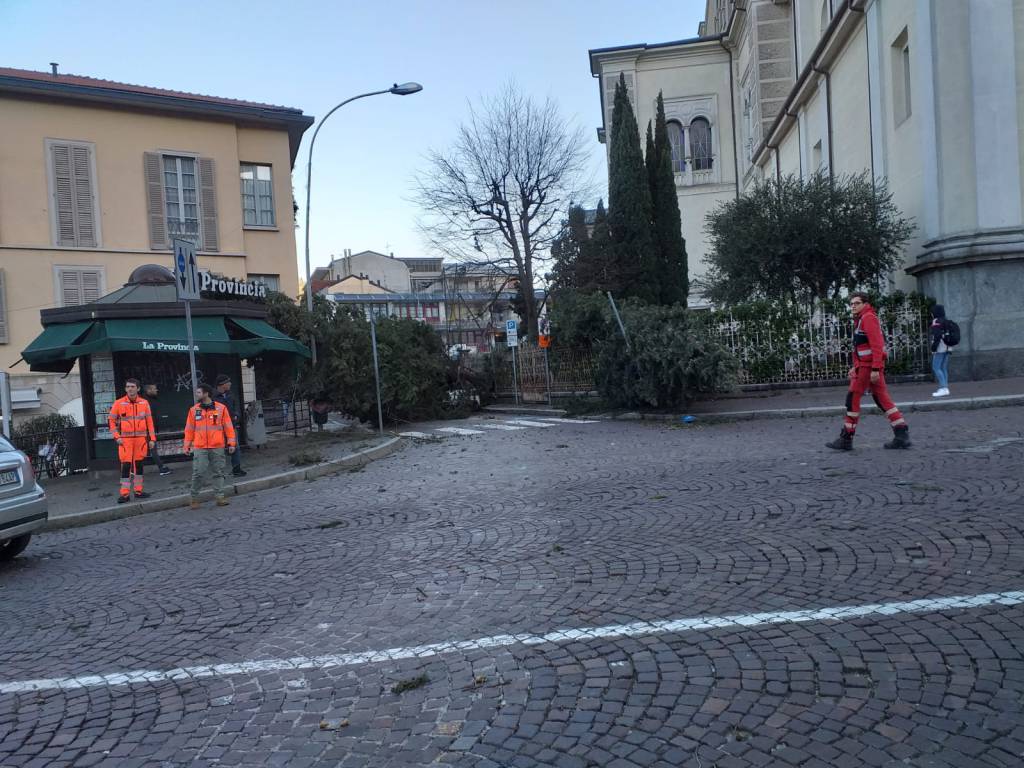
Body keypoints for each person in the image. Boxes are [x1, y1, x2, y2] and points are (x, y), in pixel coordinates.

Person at [826, 292, 911, 450]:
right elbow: (861, 348)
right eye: (851, 304)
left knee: (852, 398)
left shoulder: (868, 318)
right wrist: (856, 366)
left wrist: (875, 369)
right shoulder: (861, 319)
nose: (853, 306)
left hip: (868, 367)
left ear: (865, 304)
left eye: (856, 303)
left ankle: (846, 438)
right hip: (865, 366)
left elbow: (877, 345)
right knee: (882, 399)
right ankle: (901, 433)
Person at [184, 383, 236, 509]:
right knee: (198, 473)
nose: (197, 395)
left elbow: (228, 427)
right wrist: (187, 446)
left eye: (199, 392)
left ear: (206, 393)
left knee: (218, 472)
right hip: (200, 447)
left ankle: (220, 496)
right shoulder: (193, 410)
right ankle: (194, 498)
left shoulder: (221, 408)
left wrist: (231, 443)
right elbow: (189, 429)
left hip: (217, 446)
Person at [108, 378, 156, 503]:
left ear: (138, 389)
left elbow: (150, 422)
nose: (130, 388)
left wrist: (152, 439)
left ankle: (138, 491)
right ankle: (124, 494)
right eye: (128, 386)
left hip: (140, 440)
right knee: (126, 466)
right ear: (125, 389)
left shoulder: (144, 403)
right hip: (125, 441)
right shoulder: (119, 403)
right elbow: (111, 422)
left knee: (139, 466)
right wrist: (117, 437)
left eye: (132, 386)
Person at [215, 374, 246, 477]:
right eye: (228, 382)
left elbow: (235, 407)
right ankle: (219, 473)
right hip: (219, 429)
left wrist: (236, 415)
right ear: (222, 384)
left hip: (231, 426)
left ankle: (236, 470)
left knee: (235, 447)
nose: (230, 384)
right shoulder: (213, 397)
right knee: (219, 451)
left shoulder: (230, 394)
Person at [142, 383, 172, 476]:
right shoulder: (146, 402)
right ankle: (161, 468)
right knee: (152, 448)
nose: (156, 390)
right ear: (148, 391)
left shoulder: (149, 400)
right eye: (154, 389)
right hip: (146, 429)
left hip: (148, 428)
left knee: (149, 449)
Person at [930, 304, 951, 398]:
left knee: (936, 367)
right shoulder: (946, 320)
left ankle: (943, 388)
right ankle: (945, 387)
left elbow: (937, 336)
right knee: (943, 368)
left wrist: (933, 348)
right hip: (948, 346)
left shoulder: (936, 321)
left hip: (940, 348)